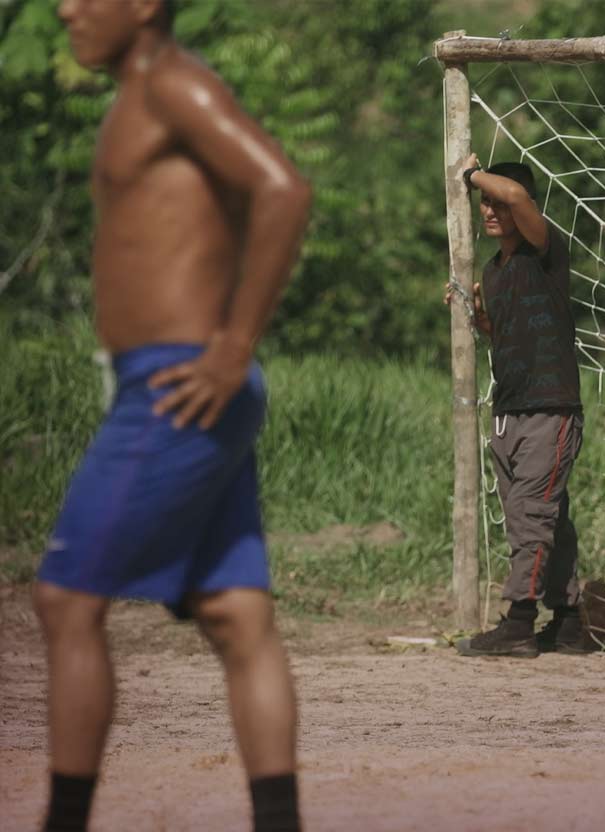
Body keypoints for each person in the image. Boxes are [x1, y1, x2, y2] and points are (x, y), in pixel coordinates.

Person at [34, 2, 312, 830]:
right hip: (176, 384)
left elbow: (283, 189)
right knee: (233, 612)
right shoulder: (137, 94)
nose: (65, 8)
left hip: (180, 385)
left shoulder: (173, 86)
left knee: (66, 601)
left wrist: (233, 345)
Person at [446, 154, 590, 658]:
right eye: (483, 204)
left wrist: (467, 175)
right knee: (546, 521)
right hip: (509, 409)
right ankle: (568, 622)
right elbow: (507, 335)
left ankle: (519, 624)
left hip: (551, 409)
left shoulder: (544, 250)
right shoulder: (494, 271)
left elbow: (514, 194)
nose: (490, 210)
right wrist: (477, 318)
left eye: (497, 203)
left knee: (532, 515)